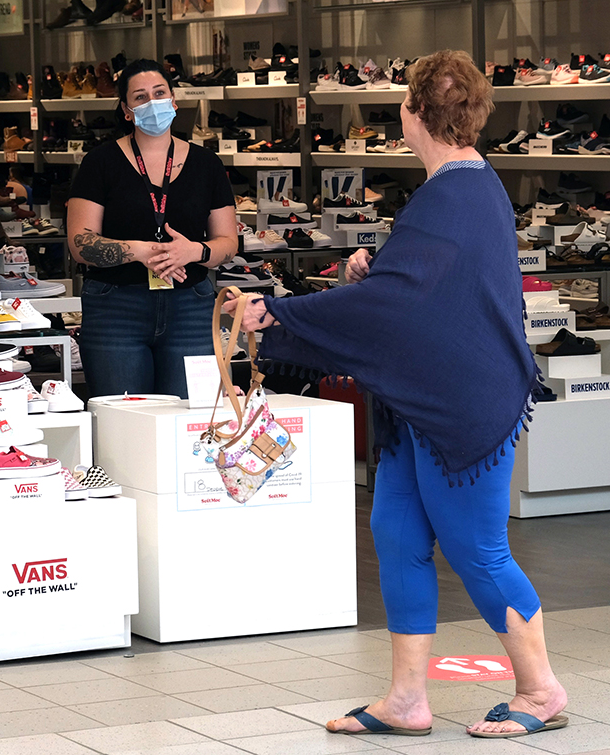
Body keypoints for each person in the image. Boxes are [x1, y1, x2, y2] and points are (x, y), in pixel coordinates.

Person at [224, 50, 568, 740]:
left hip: (461, 408)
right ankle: (408, 698)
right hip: (428, 402)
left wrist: (280, 315)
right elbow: (428, 290)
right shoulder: (464, 188)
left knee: (477, 547)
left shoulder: (453, 195)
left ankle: (541, 688)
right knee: (398, 533)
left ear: (412, 113)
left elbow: (401, 308)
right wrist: (376, 272)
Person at [67, 59, 238, 398]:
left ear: (174, 101)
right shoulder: (99, 163)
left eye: (159, 93)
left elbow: (228, 241)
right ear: (127, 111)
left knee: (192, 423)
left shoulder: (207, 164)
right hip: (117, 309)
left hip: (191, 306)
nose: (152, 103)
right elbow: (80, 242)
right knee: (124, 421)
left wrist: (194, 251)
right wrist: (142, 251)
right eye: (140, 97)